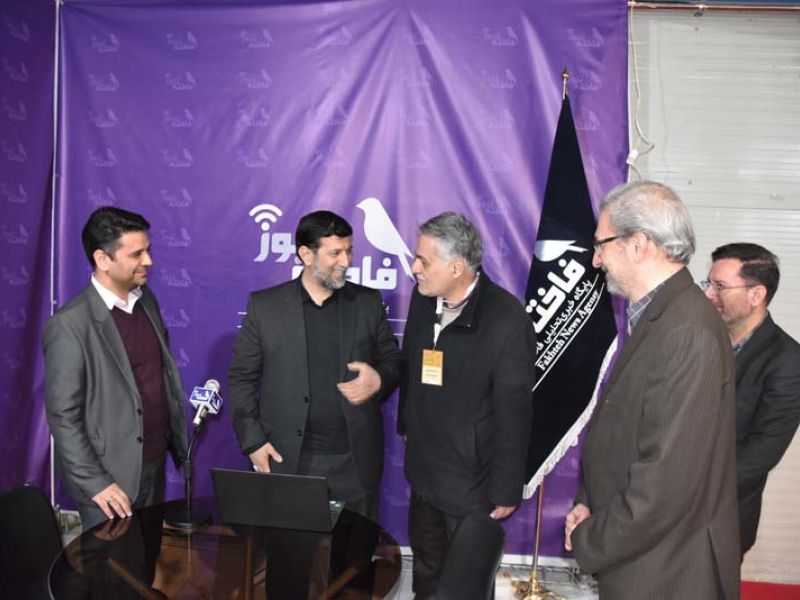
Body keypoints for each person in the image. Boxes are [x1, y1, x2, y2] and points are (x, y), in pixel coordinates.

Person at [564, 181, 740, 599]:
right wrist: (590, 502)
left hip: (667, 571)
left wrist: (590, 538)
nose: (596, 259)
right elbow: (624, 430)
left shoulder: (687, 330)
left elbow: (664, 484)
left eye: (601, 245)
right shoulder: (661, 315)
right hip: (643, 557)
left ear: (638, 244)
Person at [228, 210, 402, 519]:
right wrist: (253, 442)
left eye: (349, 251)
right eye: (335, 253)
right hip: (287, 460)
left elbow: (393, 360)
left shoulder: (367, 302)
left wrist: (379, 379)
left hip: (354, 463)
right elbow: (241, 378)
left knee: (354, 548)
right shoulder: (265, 307)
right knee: (289, 547)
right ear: (306, 255)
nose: (346, 261)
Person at [398, 212, 536, 599]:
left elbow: (514, 413)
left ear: (456, 267)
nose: (414, 268)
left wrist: (506, 489)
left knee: (466, 588)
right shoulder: (423, 298)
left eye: (424, 261)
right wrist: (408, 425)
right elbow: (411, 365)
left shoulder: (507, 320)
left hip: (471, 487)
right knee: (426, 576)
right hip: (425, 476)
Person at [43, 207, 188, 531]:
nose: (148, 261)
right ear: (102, 259)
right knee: (113, 564)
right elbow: (63, 416)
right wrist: (96, 483)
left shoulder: (146, 301)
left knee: (147, 556)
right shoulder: (70, 325)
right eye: (137, 254)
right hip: (108, 482)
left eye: (148, 250)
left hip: (153, 464)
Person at [702, 243, 800, 556]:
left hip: (719, 520)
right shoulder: (701, 339)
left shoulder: (787, 360)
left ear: (756, 295)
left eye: (720, 286)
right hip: (664, 509)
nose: (708, 294)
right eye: (708, 283)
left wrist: (686, 490)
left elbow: (760, 454)